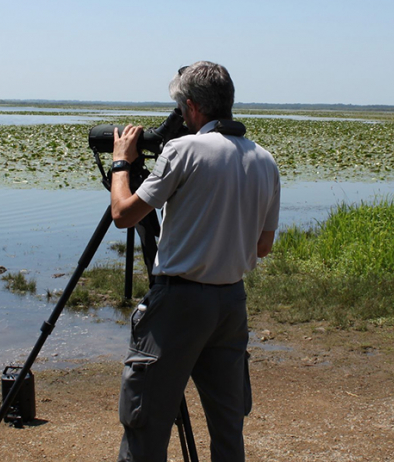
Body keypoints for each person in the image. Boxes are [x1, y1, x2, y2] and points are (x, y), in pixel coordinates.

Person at [110, 61, 281, 462]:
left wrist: (122, 163)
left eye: (181, 110)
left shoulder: (182, 150)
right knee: (227, 426)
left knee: (147, 422)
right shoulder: (264, 160)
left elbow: (123, 215)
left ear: (193, 107)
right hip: (230, 305)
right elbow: (263, 247)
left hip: (179, 304)